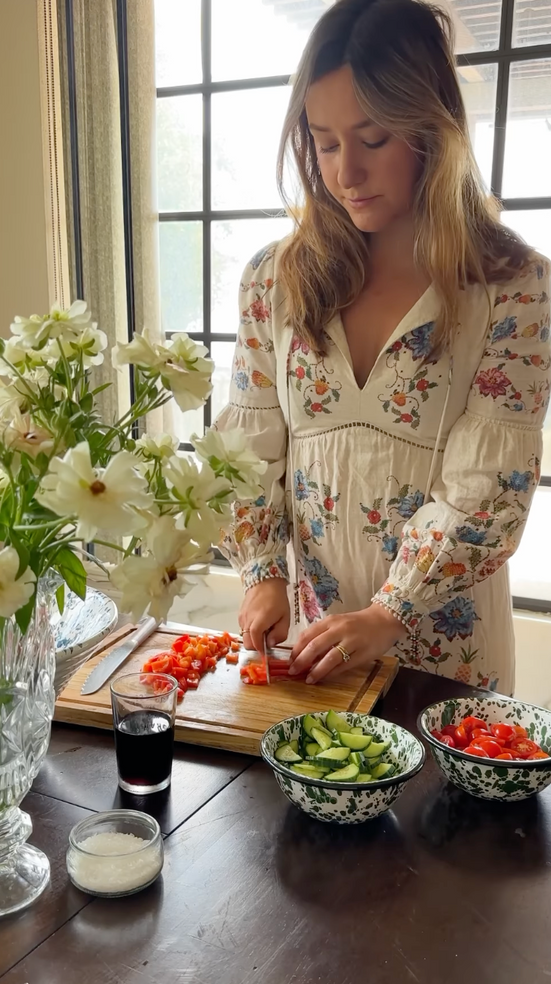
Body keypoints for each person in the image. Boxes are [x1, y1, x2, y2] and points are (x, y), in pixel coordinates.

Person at [214, 0, 551, 696]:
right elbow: (246, 454)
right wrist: (263, 576)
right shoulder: (272, 281)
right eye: (325, 141)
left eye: (372, 139)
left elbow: (488, 487)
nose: (345, 173)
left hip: (449, 663)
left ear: (433, 129)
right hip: (317, 651)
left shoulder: (513, 286)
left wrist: (389, 612)